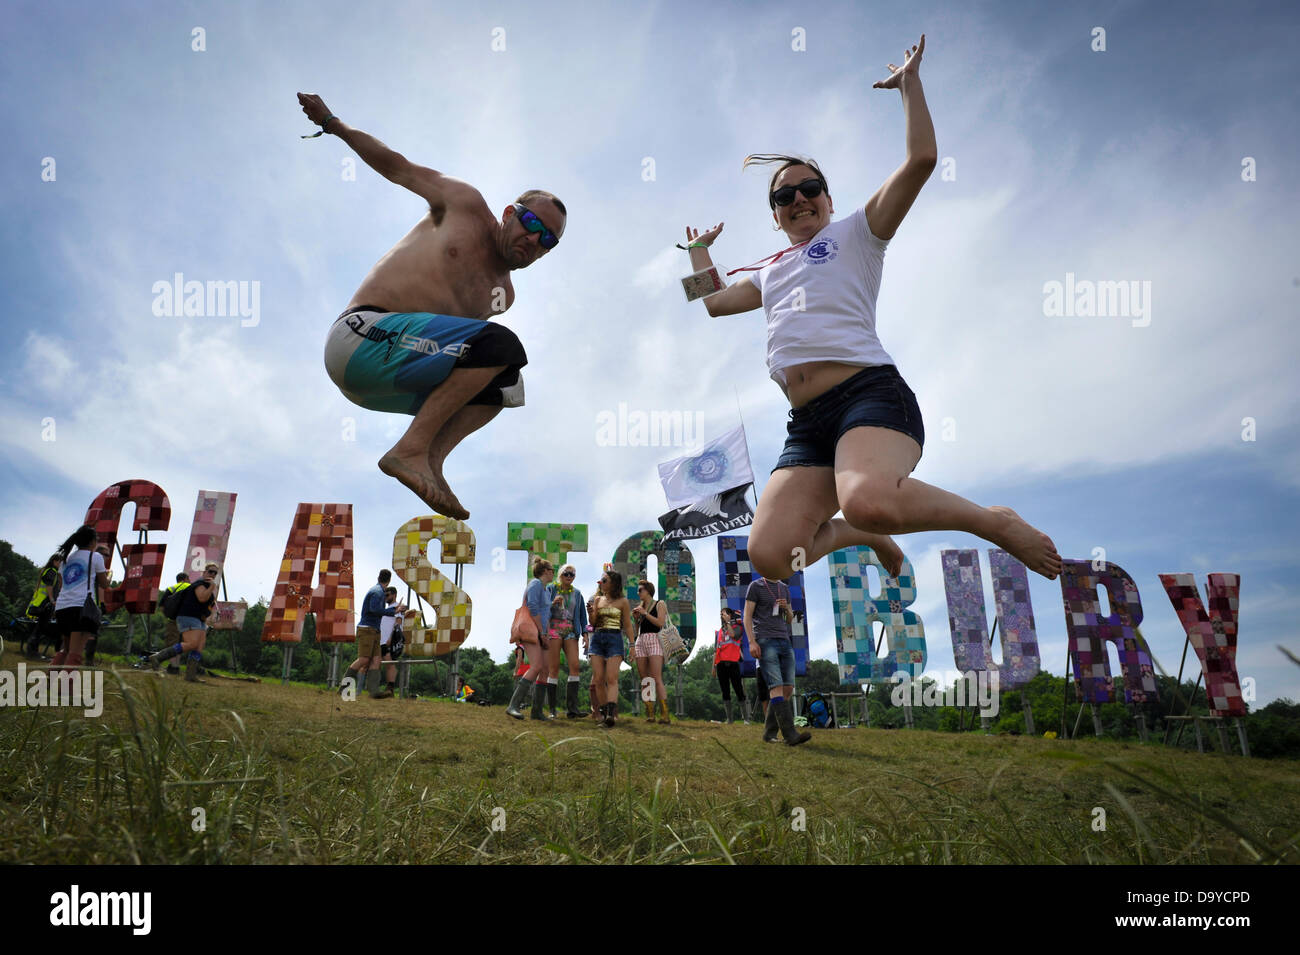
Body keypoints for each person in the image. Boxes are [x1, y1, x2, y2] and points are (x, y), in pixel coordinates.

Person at [684, 35, 1061, 588]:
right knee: (771, 556)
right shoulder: (768, 270)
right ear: (775, 216)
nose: (798, 200)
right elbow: (714, 303)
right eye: (783, 197)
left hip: (868, 396)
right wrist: (698, 252)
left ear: (829, 199)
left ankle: (993, 522)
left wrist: (910, 86)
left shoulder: (859, 232)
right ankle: (862, 533)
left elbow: (922, 160)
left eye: (809, 187)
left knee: (868, 500)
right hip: (808, 426)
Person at [299, 92, 566, 521]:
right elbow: (397, 166)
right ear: (509, 214)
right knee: (502, 347)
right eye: (532, 224)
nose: (534, 240)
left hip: (385, 379)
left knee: (507, 384)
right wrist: (334, 123)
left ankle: (430, 462)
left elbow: (459, 356)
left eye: (547, 240)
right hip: (359, 335)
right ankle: (411, 448)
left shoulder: (503, 295)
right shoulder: (463, 205)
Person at [744, 575, 810, 746]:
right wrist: (752, 641)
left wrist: (785, 609)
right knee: (776, 686)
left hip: (784, 640)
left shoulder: (784, 588)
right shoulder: (755, 586)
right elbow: (747, 616)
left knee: (787, 688)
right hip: (765, 640)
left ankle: (769, 733)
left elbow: (789, 619)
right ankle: (790, 734)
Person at [148, 562, 220, 682]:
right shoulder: (200, 584)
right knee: (192, 643)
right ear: (204, 572)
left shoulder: (207, 586)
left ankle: (190, 675)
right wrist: (212, 587)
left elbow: (205, 604)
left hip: (199, 619)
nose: (212, 574)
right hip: (188, 616)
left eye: (215, 573)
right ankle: (157, 657)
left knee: (199, 646)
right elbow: (201, 598)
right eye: (210, 571)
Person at [50, 527, 106, 680]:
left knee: (65, 649)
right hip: (81, 609)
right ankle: (64, 688)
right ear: (93, 541)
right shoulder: (96, 557)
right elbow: (104, 584)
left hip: (62, 608)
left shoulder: (66, 559)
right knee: (75, 652)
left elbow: (62, 586)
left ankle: (49, 681)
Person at [506, 558, 555, 720]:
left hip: (542, 632)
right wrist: (541, 632)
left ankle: (537, 711)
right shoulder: (534, 584)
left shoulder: (546, 589)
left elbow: (545, 611)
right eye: (552, 570)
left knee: (545, 669)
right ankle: (513, 705)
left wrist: (546, 633)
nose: (553, 573)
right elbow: (532, 607)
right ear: (545, 571)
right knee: (536, 666)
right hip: (532, 631)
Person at [339, 569, 400, 697]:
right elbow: (374, 609)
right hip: (367, 629)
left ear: (378, 577)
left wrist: (392, 610)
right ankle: (344, 689)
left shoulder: (378, 591)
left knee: (376, 660)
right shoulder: (377, 593)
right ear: (389, 581)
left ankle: (373, 692)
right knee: (363, 659)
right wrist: (392, 611)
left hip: (374, 630)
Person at [587, 570, 634, 728]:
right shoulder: (597, 599)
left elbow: (627, 625)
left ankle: (610, 715)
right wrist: (590, 613)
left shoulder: (623, 602)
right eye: (601, 580)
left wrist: (632, 645)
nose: (601, 583)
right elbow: (593, 623)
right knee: (598, 679)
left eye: (604, 580)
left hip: (615, 639)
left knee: (611, 679)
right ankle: (605, 714)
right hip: (598, 638)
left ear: (613, 583)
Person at [546, 564, 589, 719]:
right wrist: (552, 604)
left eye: (572, 575)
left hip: (571, 630)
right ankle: (552, 709)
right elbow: (542, 608)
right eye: (566, 574)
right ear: (560, 575)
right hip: (553, 628)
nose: (569, 577)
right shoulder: (551, 589)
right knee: (554, 668)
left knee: (575, 666)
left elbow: (583, 616)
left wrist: (585, 633)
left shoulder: (577, 594)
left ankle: (572, 709)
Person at [631, 581, 670, 724]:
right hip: (641, 640)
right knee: (644, 678)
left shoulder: (660, 604)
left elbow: (660, 623)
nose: (638, 592)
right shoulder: (640, 607)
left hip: (655, 639)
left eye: (640, 590)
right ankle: (650, 713)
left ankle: (665, 714)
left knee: (656, 677)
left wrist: (645, 613)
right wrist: (636, 619)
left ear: (648, 590)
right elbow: (638, 631)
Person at [22, 553, 63, 659]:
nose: (61, 564)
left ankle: (32, 652)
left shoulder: (50, 571)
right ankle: (32, 653)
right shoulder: (51, 571)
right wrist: (52, 599)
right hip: (44, 604)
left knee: (40, 628)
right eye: (60, 562)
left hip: (43, 604)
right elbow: (49, 587)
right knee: (40, 629)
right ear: (55, 561)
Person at [713, 608, 748, 724]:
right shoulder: (718, 632)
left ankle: (746, 719)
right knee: (725, 691)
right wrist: (713, 666)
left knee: (739, 690)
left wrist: (728, 622)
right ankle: (729, 720)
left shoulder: (738, 628)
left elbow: (733, 635)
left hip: (733, 664)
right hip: (721, 665)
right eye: (721, 614)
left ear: (730, 616)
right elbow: (715, 650)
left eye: (724, 613)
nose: (722, 616)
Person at [377, 585, 411, 699]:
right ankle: (380, 688)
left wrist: (391, 638)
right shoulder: (387, 609)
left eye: (387, 595)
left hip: (389, 640)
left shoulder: (398, 607)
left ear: (394, 595)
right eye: (384, 595)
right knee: (379, 663)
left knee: (389, 663)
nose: (385, 597)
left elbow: (398, 623)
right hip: (381, 640)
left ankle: (390, 689)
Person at [157, 572, 191, 675]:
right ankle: (176, 667)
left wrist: (168, 616)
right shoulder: (191, 587)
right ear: (185, 578)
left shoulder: (171, 589)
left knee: (172, 643)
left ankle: (173, 667)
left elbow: (162, 607)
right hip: (187, 621)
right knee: (181, 644)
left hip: (173, 620)